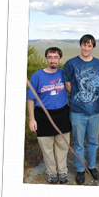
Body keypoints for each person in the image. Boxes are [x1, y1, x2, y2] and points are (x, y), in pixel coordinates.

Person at [63, 34, 99, 185]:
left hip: (96, 111)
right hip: (77, 111)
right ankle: (80, 169)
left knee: (93, 142)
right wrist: (81, 98)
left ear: (93, 47)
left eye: (89, 45)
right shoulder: (71, 63)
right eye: (84, 44)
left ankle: (91, 167)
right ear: (80, 45)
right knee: (79, 143)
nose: (86, 48)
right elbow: (68, 84)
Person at [27, 47, 72, 184]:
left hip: (62, 114)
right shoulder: (36, 76)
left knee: (63, 146)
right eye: (50, 57)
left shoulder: (64, 74)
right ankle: (51, 172)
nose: (53, 60)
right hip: (43, 115)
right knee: (47, 148)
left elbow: (72, 90)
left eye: (56, 57)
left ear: (60, 59)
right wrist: (32, 119)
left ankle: (62, 171)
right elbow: (30, 99)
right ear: (46, 59)